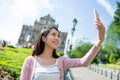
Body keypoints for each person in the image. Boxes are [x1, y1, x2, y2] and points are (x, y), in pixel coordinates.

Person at [20, 18, 105, 80]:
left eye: (58, 36)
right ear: (43, 38)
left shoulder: (61, 61)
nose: (57, 38)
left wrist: (100, 41)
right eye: (53, 34)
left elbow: (83, 62)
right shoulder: (30, 61)